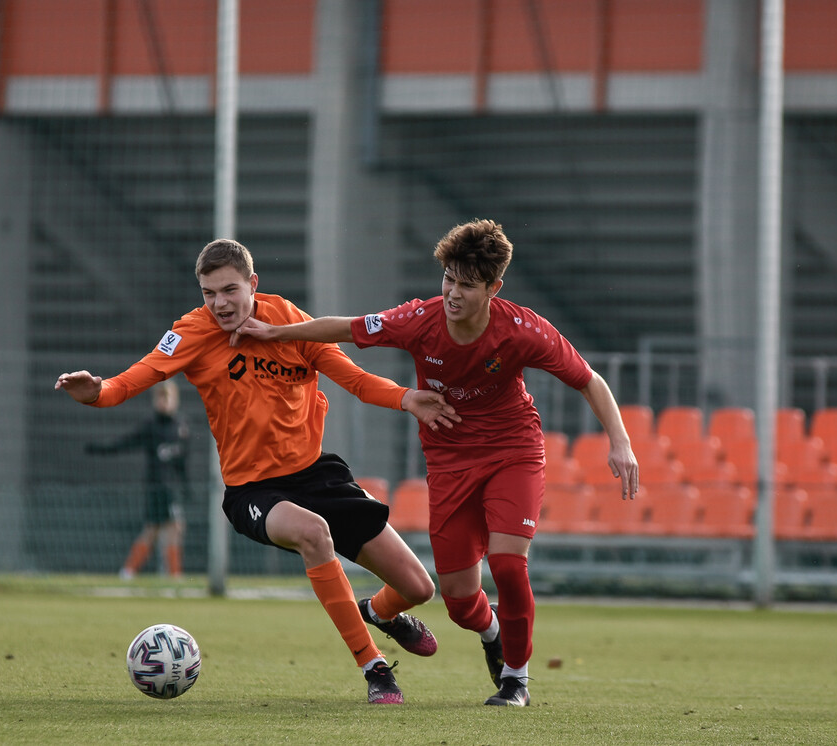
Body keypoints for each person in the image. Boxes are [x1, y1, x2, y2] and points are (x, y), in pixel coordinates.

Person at [231, 218, 640, 707]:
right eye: (448, 278)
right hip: (448, 462)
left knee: (509, 566)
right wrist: (276, 332)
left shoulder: (524, 330)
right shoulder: (418, 320)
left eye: (466, 285)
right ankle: (487, 632)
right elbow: (346, 327)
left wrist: (621, 442)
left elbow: (589, 379)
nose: (452, 293)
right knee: (460, 602)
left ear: (493, 287)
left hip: (514, 452)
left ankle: (516, 680)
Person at [56, 238, 461, 704]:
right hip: (252, 490)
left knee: (417, 586)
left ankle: (380, 613)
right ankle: (375, 669)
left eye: (229, 290)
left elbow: (354, 377)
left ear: (252, 283)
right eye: (209, 293)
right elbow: (131, 381)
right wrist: (95, 392)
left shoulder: (289, 322)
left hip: (317, 475)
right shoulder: (190, 333)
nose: (219, 303)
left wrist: (406, 397)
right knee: (313, 532)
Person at [86, 380, 190, 580]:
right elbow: (125, 443)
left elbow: (183, 462)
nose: (164, 402)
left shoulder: (181, 427)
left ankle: (135, 572)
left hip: (172, 488)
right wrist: (100, 448)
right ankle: (161, 574)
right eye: (160, 397)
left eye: (168, 397)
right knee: (160, 529)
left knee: (168, 528)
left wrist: (186, 486)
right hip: (156, 486)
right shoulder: (151, 426)